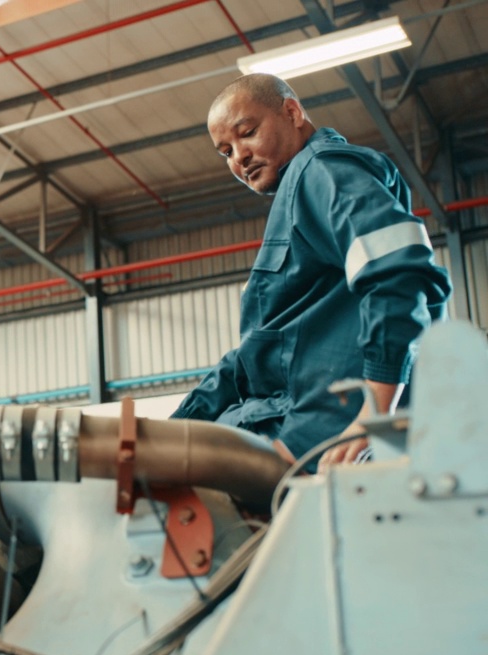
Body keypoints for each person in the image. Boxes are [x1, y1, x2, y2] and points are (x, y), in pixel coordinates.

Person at [171, 73, 451, 467]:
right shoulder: (297, 197)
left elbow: (398, 273)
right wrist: (174, 428)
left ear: (291, 111)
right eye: (225, 152)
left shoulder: (323, 172)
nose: (239, 157)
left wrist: (374, 413)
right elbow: (250, 360)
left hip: (321, 438)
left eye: (247, 133)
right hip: (290, 425)